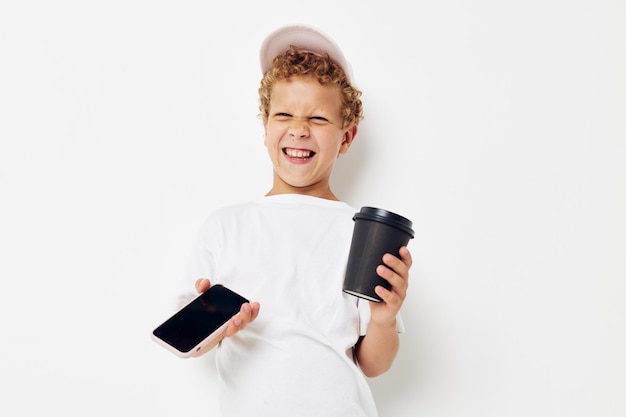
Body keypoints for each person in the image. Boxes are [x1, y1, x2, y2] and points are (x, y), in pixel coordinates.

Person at [175, 24, 413, 417]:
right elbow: (187, 342)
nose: (299, 129)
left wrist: (385, 318)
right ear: (266, 127)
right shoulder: (227, 226)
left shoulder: (361, 233)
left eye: (318, 119)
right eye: (284, 114)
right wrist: (216, 322)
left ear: (347, 137)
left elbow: (374, 364)